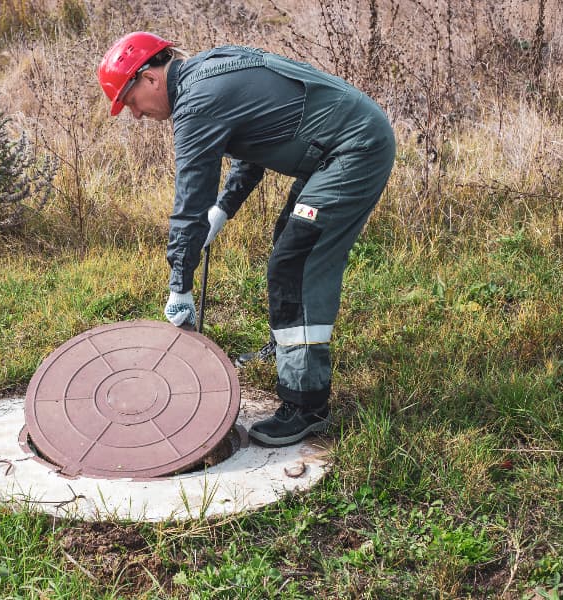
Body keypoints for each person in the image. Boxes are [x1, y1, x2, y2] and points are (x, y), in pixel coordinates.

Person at [97, 32, 396, 447]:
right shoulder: (207, 73)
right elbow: (253, 147)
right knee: (288, 240)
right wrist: (222, 210)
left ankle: (305, 405)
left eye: (130, 103)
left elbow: (189, 198)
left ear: (148, 78)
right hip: (333, 150)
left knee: (297, 262)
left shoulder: (196, 103)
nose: (136, 115)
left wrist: (180, 285)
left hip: (354, 149)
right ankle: (287, 351)